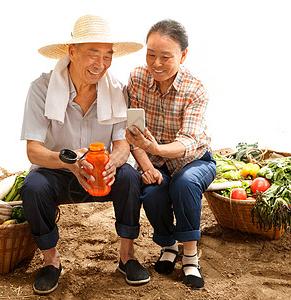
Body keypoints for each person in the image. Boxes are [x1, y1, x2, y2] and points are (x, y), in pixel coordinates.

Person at [19, 14, 149, 295]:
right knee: (32, 186)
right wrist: (70, 162)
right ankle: (51, 261)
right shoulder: (41, 88)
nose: (100, 64)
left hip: (101, 171)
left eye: (107, 56)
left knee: (128, 176)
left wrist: (115, 161)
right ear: (72, 52)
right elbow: (34, 151)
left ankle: (127, 256)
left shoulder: (116, 90)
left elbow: (122, 142)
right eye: (93, 54)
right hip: (58, 169)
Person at [125, 19, 217, 290]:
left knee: (184, 183)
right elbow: (134, 135)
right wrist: (147, 165)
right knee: (152, 191)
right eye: (150, 54)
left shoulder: (195, 89)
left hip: (195, 160)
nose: (156, 63)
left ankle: (190, 255)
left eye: (165, 56)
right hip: (155, 161)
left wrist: (155, 149)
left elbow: (188, 141)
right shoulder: (138, 78)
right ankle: (168, 244)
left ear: (183, 55)